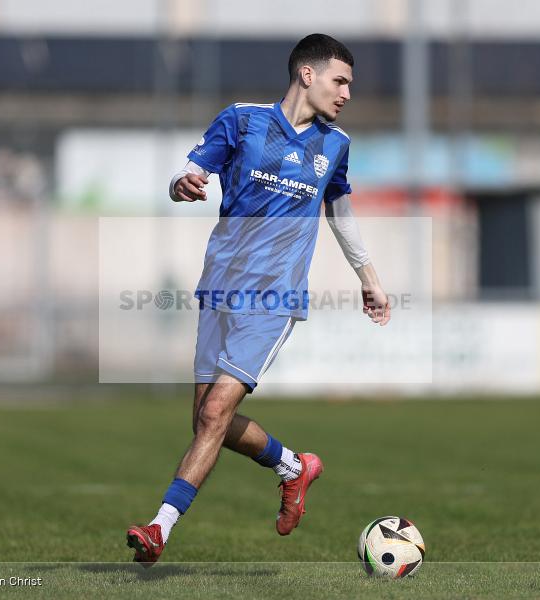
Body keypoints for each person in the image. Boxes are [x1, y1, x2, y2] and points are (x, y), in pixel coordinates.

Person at [127, 33, 391, 566]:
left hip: (274, 297)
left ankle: (160, 528)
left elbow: (339, 211)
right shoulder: (242, 121)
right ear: (307, 74)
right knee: (206, 419)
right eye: (340, 81)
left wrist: (368, 276)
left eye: (350, 85)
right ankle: (294, 467)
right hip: (220, 286)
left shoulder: (334, 145)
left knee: (217, 411)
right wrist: (184, 184)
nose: (346, 93)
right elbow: (190, 170)